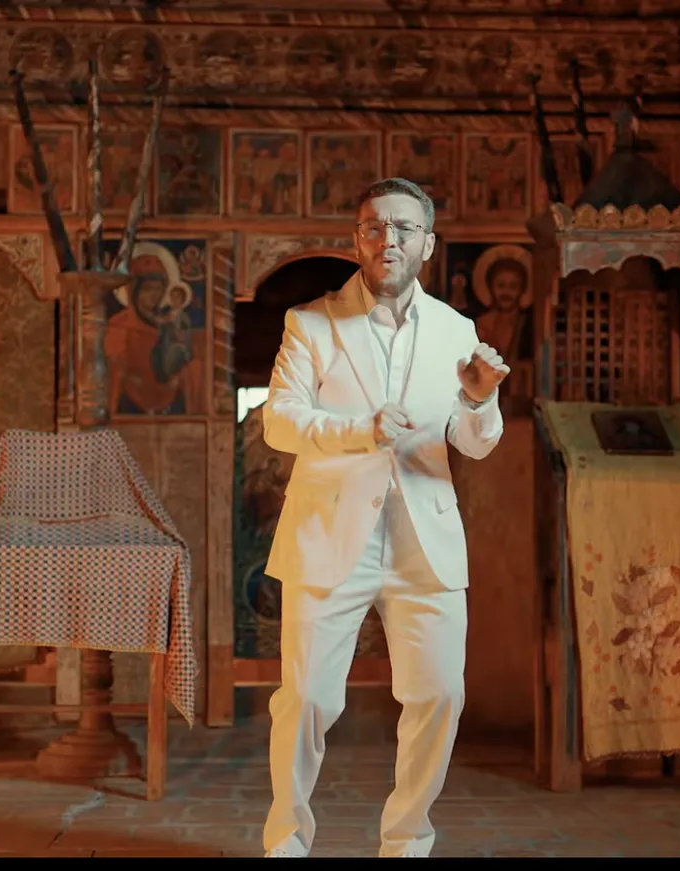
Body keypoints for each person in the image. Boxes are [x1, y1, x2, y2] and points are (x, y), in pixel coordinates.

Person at [260, 177, 510, 858]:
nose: (388, 239)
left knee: (440, 695)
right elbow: (279, 421)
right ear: (357, 240)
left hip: (424, 540)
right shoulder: (311, 322)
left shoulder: (457, 331)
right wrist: (358, 430)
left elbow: (473, 443)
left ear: (427, 244)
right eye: (374, 227)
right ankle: (287, 842)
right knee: (306, 700)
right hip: (328, 534)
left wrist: (479, 400)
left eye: (404, 228)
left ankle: (406, 843)